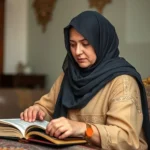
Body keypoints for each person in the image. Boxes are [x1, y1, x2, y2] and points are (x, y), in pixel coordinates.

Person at [20, 11, 150, 149]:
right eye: (72, 44)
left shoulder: (122, 81)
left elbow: (126, 138)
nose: (77, 52)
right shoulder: (69, 75)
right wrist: (37, 111)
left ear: (101, 43)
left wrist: (82, 129)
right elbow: (46, 107)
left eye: (85, 43)